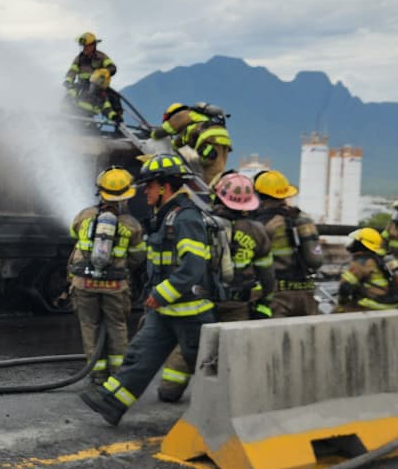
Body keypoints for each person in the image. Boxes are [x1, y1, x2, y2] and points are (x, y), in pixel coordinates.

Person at [78, 153, 216, 426]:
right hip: (165, 310)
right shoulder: (165, 217)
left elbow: (193, 267)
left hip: (190, 311)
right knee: (139, 355)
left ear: (165, 187)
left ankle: (224, 412)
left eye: (149, 186)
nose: (144, 192)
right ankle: (112, 403)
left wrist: (160, 294)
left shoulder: (186, 218)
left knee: (205, 366)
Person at [155, 171, 274, 401]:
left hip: (204, 300)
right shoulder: (257, 231)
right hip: (239, 303)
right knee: (236, 350)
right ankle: (232, 395)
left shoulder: (200, 222)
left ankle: (170, 388)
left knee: (191, 342)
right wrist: (265, 300)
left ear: (218, 197)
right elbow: (267, 274)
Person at [67, 167, 146, 385]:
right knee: (117, 327)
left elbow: (73, 235)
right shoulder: (132, 225)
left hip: (84, 283)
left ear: (100, 192)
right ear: (126, 196)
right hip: (114, 285)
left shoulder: (84, 216)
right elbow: (139, 257)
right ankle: (119, 375)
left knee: (89, 326)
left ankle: (97, 374)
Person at [252, 169, 324, 317]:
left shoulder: (263, 225)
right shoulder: (304, 220)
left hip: (278, 296)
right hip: (307, 294)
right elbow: (316, 260)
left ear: (259, 195)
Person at [336, 228, 398, 312]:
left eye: (355, 240)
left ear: (361, 243)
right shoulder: (384, 259)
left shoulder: (361, 262)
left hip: (375, 305)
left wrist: (342, 302)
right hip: (393, 304)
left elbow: (345, 287)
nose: (352, 243)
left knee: (337, 311)